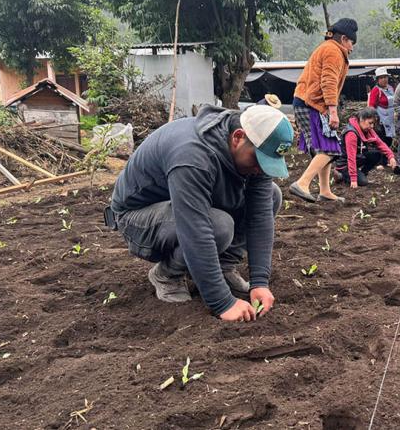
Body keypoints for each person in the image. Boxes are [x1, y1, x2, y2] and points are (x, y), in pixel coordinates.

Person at [108, 105, 292, 322]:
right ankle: (167, 275)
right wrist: (223, 302)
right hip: (137, 217)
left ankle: (223, 267)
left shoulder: (254, 147)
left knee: (271, 195)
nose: (261, 168)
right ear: (238, 137)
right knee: (218, 225)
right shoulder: (192, 154)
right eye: (258, 160)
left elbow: (259, 215)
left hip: (182, 205)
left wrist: (260, 281)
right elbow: (195, 229)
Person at [288, 18, 357, 203]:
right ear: (344, 39)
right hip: (311, 103)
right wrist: (333, 111)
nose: (352, 48)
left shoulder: (327, 48)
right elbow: (328, 81)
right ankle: (302, 183)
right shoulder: (333, 51)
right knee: (330, 148)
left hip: (308, 102)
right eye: (351, 42)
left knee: (324, 148)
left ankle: (325, 191)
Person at [334, 107, 398, 188]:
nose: (372, 126)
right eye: (370, 123)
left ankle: (362, 174)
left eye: (373, 124)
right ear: (362, 119)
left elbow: (380, 143)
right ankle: (341, 175)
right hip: (345, 163)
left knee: (377, 154)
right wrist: (353, 179)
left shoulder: (367, 129)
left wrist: (391, 156)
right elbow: (351, 157)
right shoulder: (351, 134)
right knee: (363, 182)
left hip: (357, 158)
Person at [367, 67, 395, 147]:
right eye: (381, 78)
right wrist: (373, 120)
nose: (384, 79)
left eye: (385, 77)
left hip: (391, 118)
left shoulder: (390, 88)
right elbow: (371, 106)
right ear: (377, 80)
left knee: (390, 138)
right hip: (381, 119)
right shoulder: (376, 90)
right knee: (383, 138)